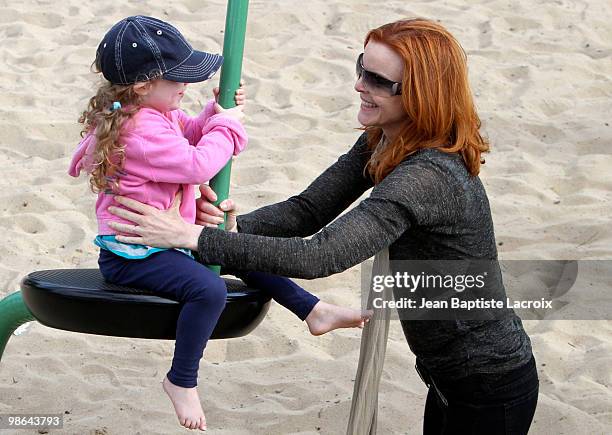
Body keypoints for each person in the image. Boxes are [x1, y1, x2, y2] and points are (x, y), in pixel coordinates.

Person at [106, 18, 539, 434]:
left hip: (487, 383)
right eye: (361, 68)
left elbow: (321, 254)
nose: (358, 85)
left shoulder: (426, 175)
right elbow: (306, 211)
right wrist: (222, 229)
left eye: (378, 81)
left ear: (422, 94)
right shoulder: (385, 138)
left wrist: (194, 238)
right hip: (447, 373)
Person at [69, 15, 369, 432]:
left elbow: (189, 134)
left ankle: (312, 310)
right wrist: (228, 125)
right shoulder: (138, 130)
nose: (185, 86)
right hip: (135, 255)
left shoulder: (151, 113)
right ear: (142, 86)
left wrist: (215, 110)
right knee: (208, 289)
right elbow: (199, 163)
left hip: (163, 241)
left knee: (240, 254)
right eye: (177, 79)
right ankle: (181, 379)